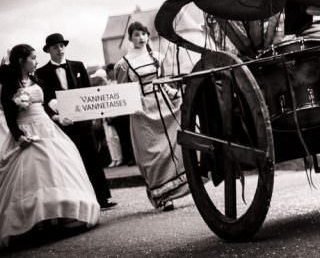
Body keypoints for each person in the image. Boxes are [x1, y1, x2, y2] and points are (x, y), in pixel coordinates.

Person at [0, 44, 100, 248]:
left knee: (59, 168)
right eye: (33, 58)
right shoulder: (10, 85)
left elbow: (45, 106)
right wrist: (19, 136)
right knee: (33, 176)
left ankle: (63, 214)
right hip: (27, 131)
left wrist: (57, 117)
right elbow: (10, 116)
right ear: (22, 61)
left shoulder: (37, 80)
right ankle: (37, 222)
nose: (36, 61)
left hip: (47, 128)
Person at [112, 22, 189, 211]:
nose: (140, 38)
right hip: (143, 112)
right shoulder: (123, 64)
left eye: (143, 34)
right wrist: (134, 105)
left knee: (172, 147)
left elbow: (162, 82)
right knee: (153, 154)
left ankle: (180, 188)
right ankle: (162, 196)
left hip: (163, 105)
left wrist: (174, 94)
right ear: (130, 38)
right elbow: (124, 92)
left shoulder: (157, 57)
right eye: (136, 35)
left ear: (148, 36)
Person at [34, 33, 115, 210]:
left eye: (62, 46)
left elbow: (87, 92)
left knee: (92, 159)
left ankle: (102, 198)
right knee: (71, 163)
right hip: (62, 125)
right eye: (55, 47)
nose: (60, 49)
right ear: (48, 51)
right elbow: (45, 98)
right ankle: (84, 200)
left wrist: (93, 115)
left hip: (84, 123)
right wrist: (56, 115)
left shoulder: (78, 66)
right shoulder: (41, 73)